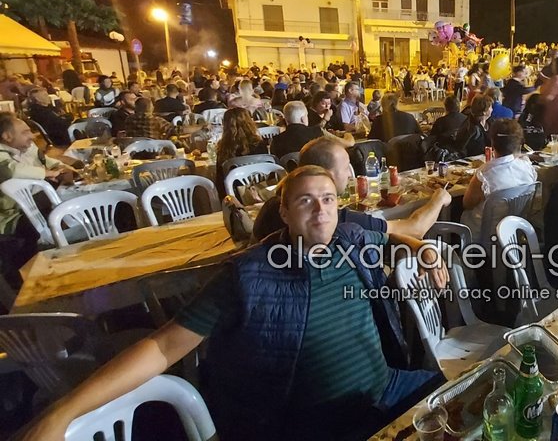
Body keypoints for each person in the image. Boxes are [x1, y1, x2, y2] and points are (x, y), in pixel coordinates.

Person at [21, 165, 449, 441]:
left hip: (385, 392)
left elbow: (395, 234)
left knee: (459, 403)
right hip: (316, 424)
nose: (320, 210)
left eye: (328, 199)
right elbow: (163, 347)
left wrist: (423, 248)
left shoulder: (350, 238)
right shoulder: (248, 276)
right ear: (284, 213)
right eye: (305, 200)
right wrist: (65, 410)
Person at [252, 137, 452, 241]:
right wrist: (439, 199)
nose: (350, 174)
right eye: (345, 167)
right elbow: (414, 229)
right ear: (328, 174)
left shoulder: (272, 206)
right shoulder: (332, 218)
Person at [0, 113, 72, 288]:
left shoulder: (27, 148)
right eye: (25, 132)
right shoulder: (2, 156)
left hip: (37, 204)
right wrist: (46, 174)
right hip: (12, 217)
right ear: (7, 136)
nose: (32, 136)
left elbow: (48, 161)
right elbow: (11, 170)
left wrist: (63, 167)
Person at [460, 118, 537, 239]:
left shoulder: (485, 174)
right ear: (518, 144)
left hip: (483, 233)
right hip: (515, 230)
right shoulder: (527, 168)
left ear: (492, 143)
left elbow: (467, 203)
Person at [215, 108, 270, 195]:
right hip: (261, 191)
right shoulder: (260, 145)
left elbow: (220, 180)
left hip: (234, 194)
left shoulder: (224, 148)